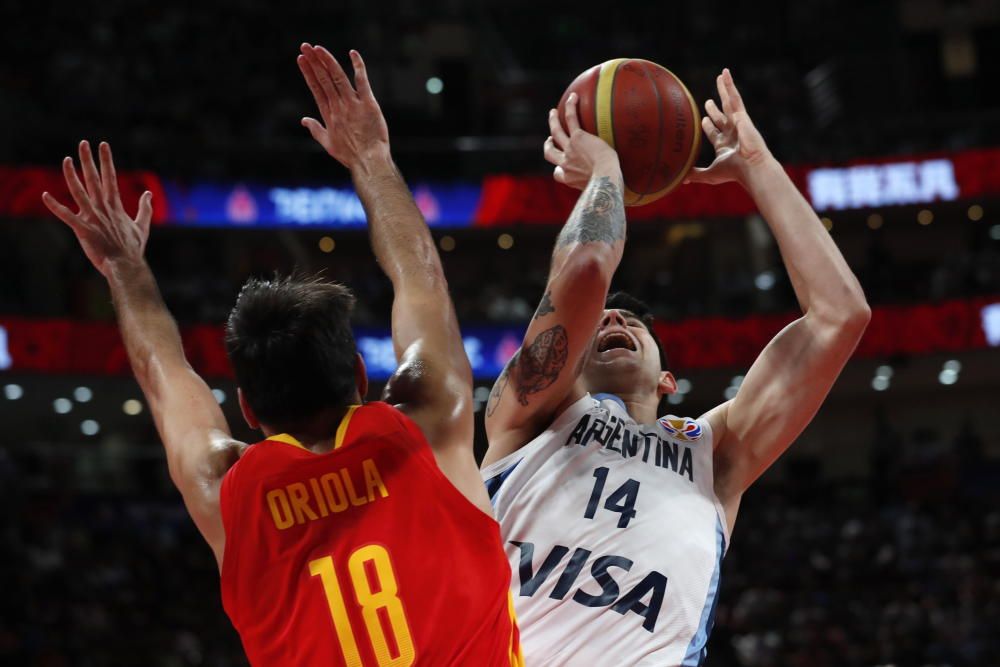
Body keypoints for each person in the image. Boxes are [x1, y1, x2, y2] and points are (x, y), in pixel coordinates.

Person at [42, 44, 522, 667]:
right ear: (358, 373)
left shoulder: (227, 492)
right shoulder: (426, 420)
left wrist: (122, 269)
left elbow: (164, 377)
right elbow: (421, 280)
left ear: (245, 407)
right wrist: (371, 159)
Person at [481, 69, 871, 666]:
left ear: (668, 380)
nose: (613, 322)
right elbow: (585, 270)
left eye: (632, 323)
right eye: (600, 324)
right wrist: (608, 171)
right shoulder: (525, 412)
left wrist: (757, 165)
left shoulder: (714, 455)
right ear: (567, 369)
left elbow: (840, 316)